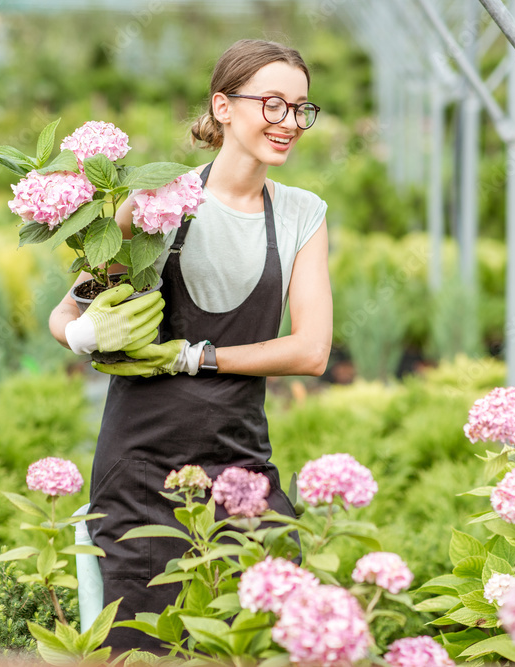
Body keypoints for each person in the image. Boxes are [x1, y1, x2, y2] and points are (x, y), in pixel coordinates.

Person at [48, 38, 332, 650]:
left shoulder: (303, 214)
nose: (289, 123)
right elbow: (66, 312)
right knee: (144, 647)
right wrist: (85, 333)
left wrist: (193, 355)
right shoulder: (158, 201)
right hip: (140, 470)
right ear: (223, 107)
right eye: (273, 105)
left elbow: (311, 350)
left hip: (240, 465)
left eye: (301, 109)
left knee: (263, 636)